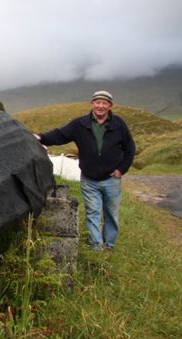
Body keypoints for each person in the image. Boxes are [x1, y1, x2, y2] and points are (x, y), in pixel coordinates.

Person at [34, 90, 135, 251]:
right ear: (92, 104)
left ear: (110, 106)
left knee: (111, 215)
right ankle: (97, 246)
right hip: (90, 180)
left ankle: (109, 245)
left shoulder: (119, 124)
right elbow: (60, 135)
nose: (100, 106)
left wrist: (121, 170)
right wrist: (41, 137)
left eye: (104, 103)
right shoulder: (80, 124)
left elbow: (130, 148)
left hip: (112, 180)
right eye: (97, 102)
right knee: (93, 212)